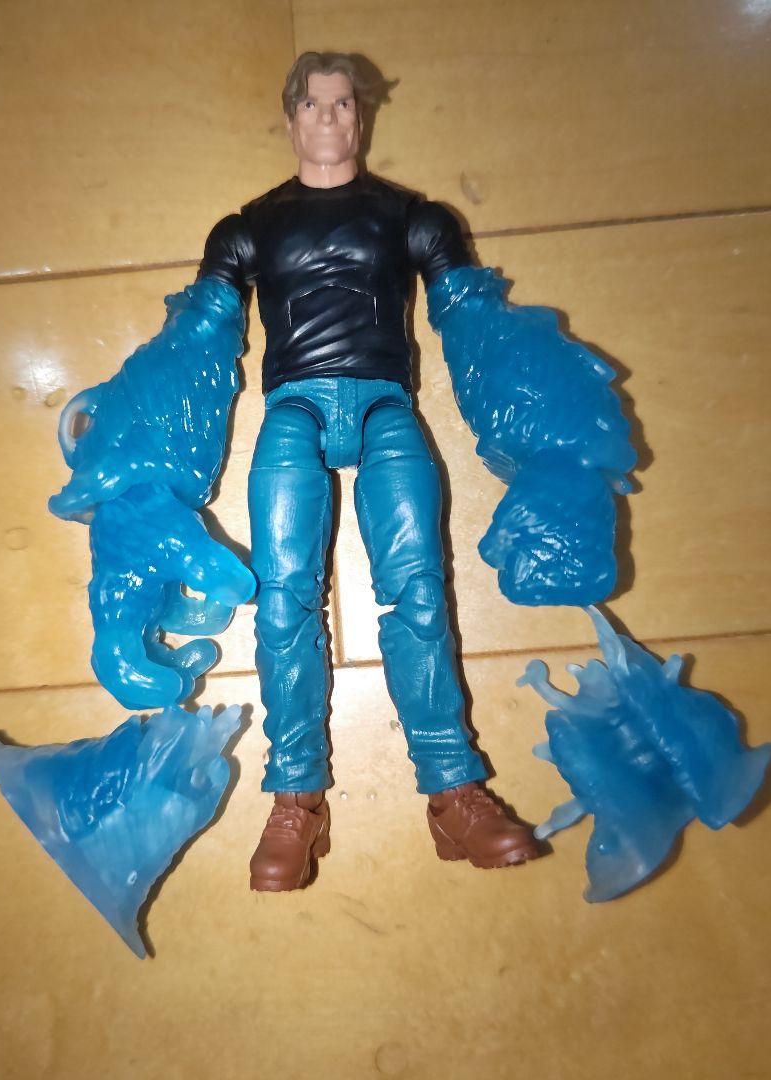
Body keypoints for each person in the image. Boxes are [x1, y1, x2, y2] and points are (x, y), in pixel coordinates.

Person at [197, 52, 540, 892]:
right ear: (291, 117)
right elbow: (197, 344)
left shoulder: (411, 217)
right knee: (282, 597)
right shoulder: (248, 227)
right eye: (314, 105)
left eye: (344, 104)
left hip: (387, 403)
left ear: (362, 115)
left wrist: (540, 419)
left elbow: (477, 326)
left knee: (419, 588)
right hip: (294, 409)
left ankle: (453, 791)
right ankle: (295, 799)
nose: (329, 118)